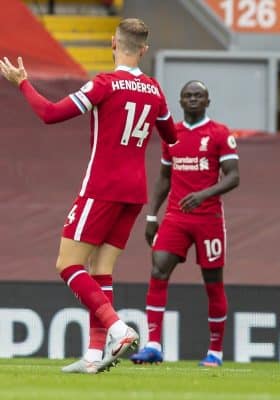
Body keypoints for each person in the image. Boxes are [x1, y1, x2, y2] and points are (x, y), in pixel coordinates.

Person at [0, 18, 177, 374]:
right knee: (102, 270)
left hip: (102, 187)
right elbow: (171, 135)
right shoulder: (155, 90)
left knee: (67, 265)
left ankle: (118, 329)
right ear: (144, 50)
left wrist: (22, 84)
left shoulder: (104, 84)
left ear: (113, 43)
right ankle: (95, 356)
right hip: (135, 191)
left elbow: (50, 114)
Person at [129, 80, 240, 367]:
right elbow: (164, 177)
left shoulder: (219, 134)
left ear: (207, 101)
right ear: (180, 101)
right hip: (177, 217)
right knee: (158, 268)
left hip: (209, 219)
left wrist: (203, 194)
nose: (193, 99)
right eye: (188, 96)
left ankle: (215, 351)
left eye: (198, 96)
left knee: (213, 283)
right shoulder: (172, 135)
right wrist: (152, 214)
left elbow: (233, 176)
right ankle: (153, 344)